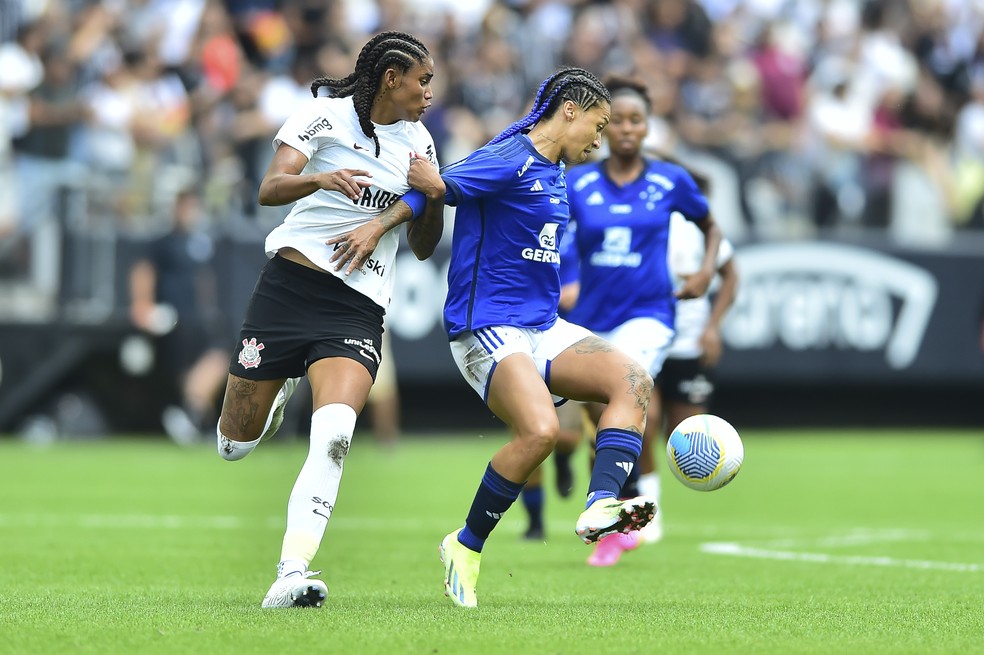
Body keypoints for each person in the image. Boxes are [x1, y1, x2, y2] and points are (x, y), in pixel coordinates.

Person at [361, 66, 659, 608]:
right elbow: (436, 184)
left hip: (542, 327)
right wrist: (385, 220)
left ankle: (600, 503)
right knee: (541, 431)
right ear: (570, 109)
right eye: (600, 122)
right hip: (488, 327)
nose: (602, 136)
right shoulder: (510, 158)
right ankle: (465, 545)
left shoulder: (553, 170)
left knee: (633, 380)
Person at [213, 31, 445, 610]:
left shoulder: (420, 144)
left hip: (356, 306)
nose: (429, 93)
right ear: (392, 78)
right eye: (423, 80)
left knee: (336, 434)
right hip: (288, 290)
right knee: (233, 443)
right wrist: (318, 178)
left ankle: (291, 573)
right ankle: (281, 387)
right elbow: (269, 188)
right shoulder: (323, 117)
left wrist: (429, 198)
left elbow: (423, 245)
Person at [563, 74, 722, 566]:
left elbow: (711, 225)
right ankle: (619, 514)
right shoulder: (578, 180)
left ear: (648, 126)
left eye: (638, 120)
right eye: (619, 121)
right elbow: (553, 237)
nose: (629, 129)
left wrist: (704, 272)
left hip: (649, 315)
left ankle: (622, 518)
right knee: (599, 417)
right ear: (604, 127)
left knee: (624, 385)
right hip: (590, 318)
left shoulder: (670, 180)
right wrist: (558, 281)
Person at [129, 187, 229, 444]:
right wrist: (143, 306)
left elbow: (205, 280)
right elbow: (143, 272)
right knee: (198, 367)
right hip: (172, 320)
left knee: (214, 360)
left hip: (198, 320)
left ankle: (193, 418)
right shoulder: (163, 243)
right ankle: (194, 419)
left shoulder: (201, 244)